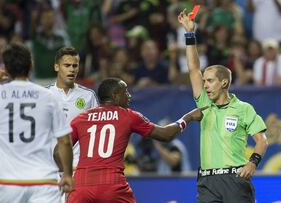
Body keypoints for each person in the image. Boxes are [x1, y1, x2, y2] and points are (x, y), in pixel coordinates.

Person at [59, 78, 208, 203]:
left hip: (81, 184)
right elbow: (165, 134)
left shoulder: (80, 119)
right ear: (115, 95)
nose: (129, 96)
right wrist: (187, 118)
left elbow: (57, 152)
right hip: (111, 184)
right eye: (125, 91)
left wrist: (66, 173)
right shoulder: (128, 116)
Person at [0, 43, 73, 203]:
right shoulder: (48, 97)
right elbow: (65, 141)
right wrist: (67, 174)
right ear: (31, 65)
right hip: (44, 181)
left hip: (8, 182)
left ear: (5, 68)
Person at [178, 10, 269, 202]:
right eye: (204, 81)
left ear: (224, 83)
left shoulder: (244, 108)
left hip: (235, 180)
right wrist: (189, 34)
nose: (205, 85)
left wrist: (253, 163)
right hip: (207, 182)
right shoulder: (204, 103)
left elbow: (262, 140)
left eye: (210, 81)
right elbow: (194, 68)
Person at [48, 46, 99, 170]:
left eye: (75, 66)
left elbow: (97, 131)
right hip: (49, 167)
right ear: (56, 67)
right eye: (67, 65)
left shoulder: (88, 96)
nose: (72, 69)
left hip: (77, 166)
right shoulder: (44, 95)